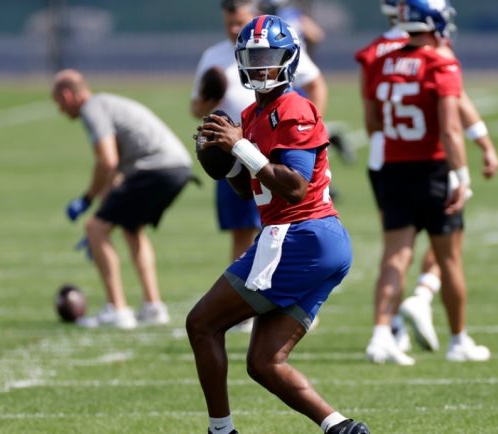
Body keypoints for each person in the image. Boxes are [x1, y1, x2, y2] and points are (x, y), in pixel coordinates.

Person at [186, 15, 369, 434]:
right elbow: (249, 191)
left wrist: (241, 148)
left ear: (288, 59)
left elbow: (295, 187)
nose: (261, 67)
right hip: (305, 239)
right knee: (264, 361)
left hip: (300, 234)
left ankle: (220, 431)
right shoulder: (251, 114)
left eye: (268, 57)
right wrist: (224, 161)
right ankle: (340, 428)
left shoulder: (294, 108)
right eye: (252, 58)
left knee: (201, 324)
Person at [358, 0, 491, 365]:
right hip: (432, 169)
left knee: (395, 256)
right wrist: (462, 175)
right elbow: (450, 129)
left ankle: (381, 336)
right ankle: (458, 340)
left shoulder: (380, 60)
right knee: (449, 260)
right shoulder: (440, 62)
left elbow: (372, 123)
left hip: (392, 167)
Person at [52, 69, 193, 329]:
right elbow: (115, 176)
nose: (60, 110)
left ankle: (118, 310)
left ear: (68, 95)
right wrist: (102, 212)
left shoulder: (92, 108)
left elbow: (107, 162)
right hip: (178, 167)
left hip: (154, 168)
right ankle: (153, 307)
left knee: (95, 228)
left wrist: (87, 200)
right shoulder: (107, 103)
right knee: (131, 228)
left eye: (58, 102)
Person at [190, 0, 328, 264]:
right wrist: (212, 110)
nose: (233, 29)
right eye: (229, 23)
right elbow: (196, 108)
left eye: (239, 22)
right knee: (243, 230)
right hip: (236, 148)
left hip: (276, 148)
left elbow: (315, 82)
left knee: (285, 222)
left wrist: (310, 130)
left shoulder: (276, 45)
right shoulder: (213, 56)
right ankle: (244, 277)